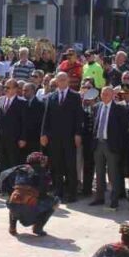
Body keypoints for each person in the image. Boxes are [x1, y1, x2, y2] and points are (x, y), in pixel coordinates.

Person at [40, 71, 83, 203]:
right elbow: (46, 117)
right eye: (60, 80)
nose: (62, 82)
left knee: (70, 165)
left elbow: (78, 117)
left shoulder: (75, 96)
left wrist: (78, 134)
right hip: (54, 138)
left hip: (70, 137)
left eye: (64, 79)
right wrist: (43, 134)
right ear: (56, 82)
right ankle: (59, 192)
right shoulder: (51, 97)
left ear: (68, 81)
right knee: (57, 165)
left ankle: (72, 193)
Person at [90, 85, 129, 210]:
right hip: (98, 144)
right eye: (103, 93)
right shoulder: (96, 107)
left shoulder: (120, 108)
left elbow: (124, 129)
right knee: (99, 172)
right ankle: (99, 197)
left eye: (107, 94)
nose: (104, 96)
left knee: (113, 173)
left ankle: (114, 199)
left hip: (111, 145)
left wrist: (120, 146)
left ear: (113, 95)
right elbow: (94, 125)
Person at [0, 152, 56, 237]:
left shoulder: (19, 168)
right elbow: (44, 192)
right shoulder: (42, 172)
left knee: (14, 198)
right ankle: (38, 228)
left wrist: (11, 192)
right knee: (55, 201)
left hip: (14, 207)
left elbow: (4, 175)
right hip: (29, 211)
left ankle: (12, 228)